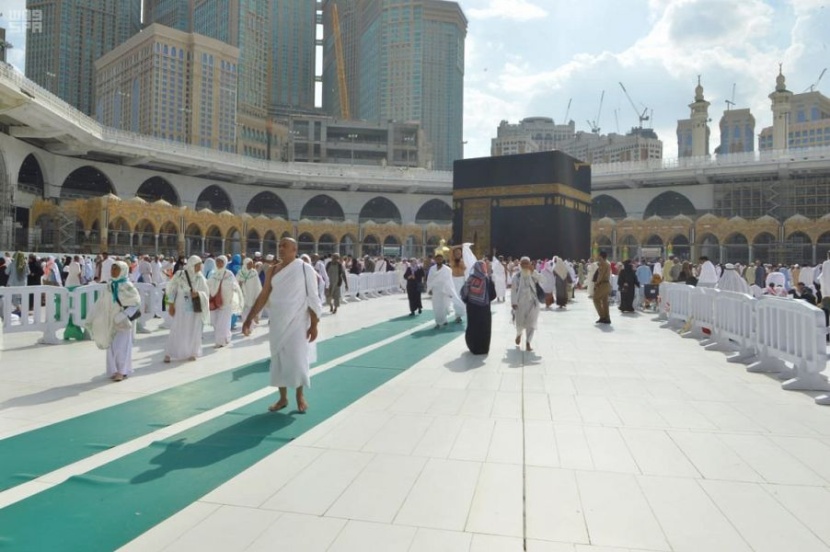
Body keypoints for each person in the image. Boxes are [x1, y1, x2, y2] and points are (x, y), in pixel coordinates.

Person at [242, 238, 322, 413]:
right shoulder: (272, 270)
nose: (281, 248)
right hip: (277, 320)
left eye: (285, 246)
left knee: (297, 358)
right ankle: (283, 398)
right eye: (279, 246)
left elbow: (312, 297)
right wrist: (249, 318)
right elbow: (264, 295)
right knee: (278, 359)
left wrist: (314, 324)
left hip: (298, 321)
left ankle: (299, 395)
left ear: (294, 249)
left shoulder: (304, 268)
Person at [87, 261, 141, 382]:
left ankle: (122, 371)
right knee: (110, 347)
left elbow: (136, 303)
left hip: (123, 321)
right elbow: (101, 301)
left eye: (116, 269)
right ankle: (113, 370)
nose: (113, 272)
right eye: (112, 269)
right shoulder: (109, 285)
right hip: (110, 321)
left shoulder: (128, 286)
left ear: (123, 271)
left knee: (122, 347)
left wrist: (123, 315)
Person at [163, 255, 210, 363]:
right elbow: (171, 289)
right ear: (191, 265)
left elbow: (206, 293)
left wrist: (198, 294)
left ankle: (192, 352)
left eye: (200, 265)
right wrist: (170, 305)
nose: (200, 267)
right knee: (177, 328)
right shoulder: (180, 275)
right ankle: (169, 353)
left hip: (194, 307)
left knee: (193, 329)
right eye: (197, 265)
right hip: (180, 306)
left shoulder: (200, 278)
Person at [461, 260, 496, 354]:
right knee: (484, 328)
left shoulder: (470, 279)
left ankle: (474, 347)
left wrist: (469, 300)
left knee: (473, 327)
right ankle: (484, 348)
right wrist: (485, 300)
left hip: (472, 309)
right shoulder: (488, 279)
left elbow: (464, 293)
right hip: (485, 309)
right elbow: (493, 295)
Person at [207, 255, 239, 349]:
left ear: (224, 263)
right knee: (215, 322)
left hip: (226, 302)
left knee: (223, 322)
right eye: (217, 262)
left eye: (221, 262)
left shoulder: (229, 274)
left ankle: (220, 341)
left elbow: (234, 286)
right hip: (214, 302)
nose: (219, 264)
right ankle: (226, 337)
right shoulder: (214, 274)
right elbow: (208, 284)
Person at [511, 256, 541, 351]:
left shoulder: (533, 274)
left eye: (526, 263)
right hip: (520, 303)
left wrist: (533, 271)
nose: (525, 265)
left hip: (532, 303)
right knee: (519, 322)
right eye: (523, 263)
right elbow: (513, 290)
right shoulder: (516, 276)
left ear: (529, 264)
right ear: (520, 264)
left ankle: (528, 342)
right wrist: (514, 302)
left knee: (531, 323)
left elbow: (543, 280)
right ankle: (519, 334)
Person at [427, 252, 461, 328]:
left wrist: (450, 291)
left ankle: (443, 320)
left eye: (440, 259)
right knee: (436, 307)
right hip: (435, 290)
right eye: (437, 259)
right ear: (435, 260)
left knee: (444, 306)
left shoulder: (447, 269)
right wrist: (429, 289)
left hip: (444, 290)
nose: (439, 260)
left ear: (442, 260)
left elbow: (449, 281)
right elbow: (429, 279)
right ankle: (439, 321)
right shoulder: (432, 269)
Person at [237, 257, 262, 325]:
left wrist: (259, 291)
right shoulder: (240, 272)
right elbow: (237, 281)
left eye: (251, 264)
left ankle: (250, 324)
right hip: (244, 292)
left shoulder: (254, 272)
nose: (251, 265)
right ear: (245, 264)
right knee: (244, 309)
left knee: (252, 307)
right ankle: (246, 323)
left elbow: (257, 283)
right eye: (249, 264)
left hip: (253, 292)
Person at [592, 251, 612, 324]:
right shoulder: (608, 264)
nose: (598, 258)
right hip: (607, 284)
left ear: (601, 256)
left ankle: (602, 316)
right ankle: (607, 318)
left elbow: (600, 275)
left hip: (602, 284)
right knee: (604, 302)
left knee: (595, 299)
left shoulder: (603, 264)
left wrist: (596, 283)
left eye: (599, 256)